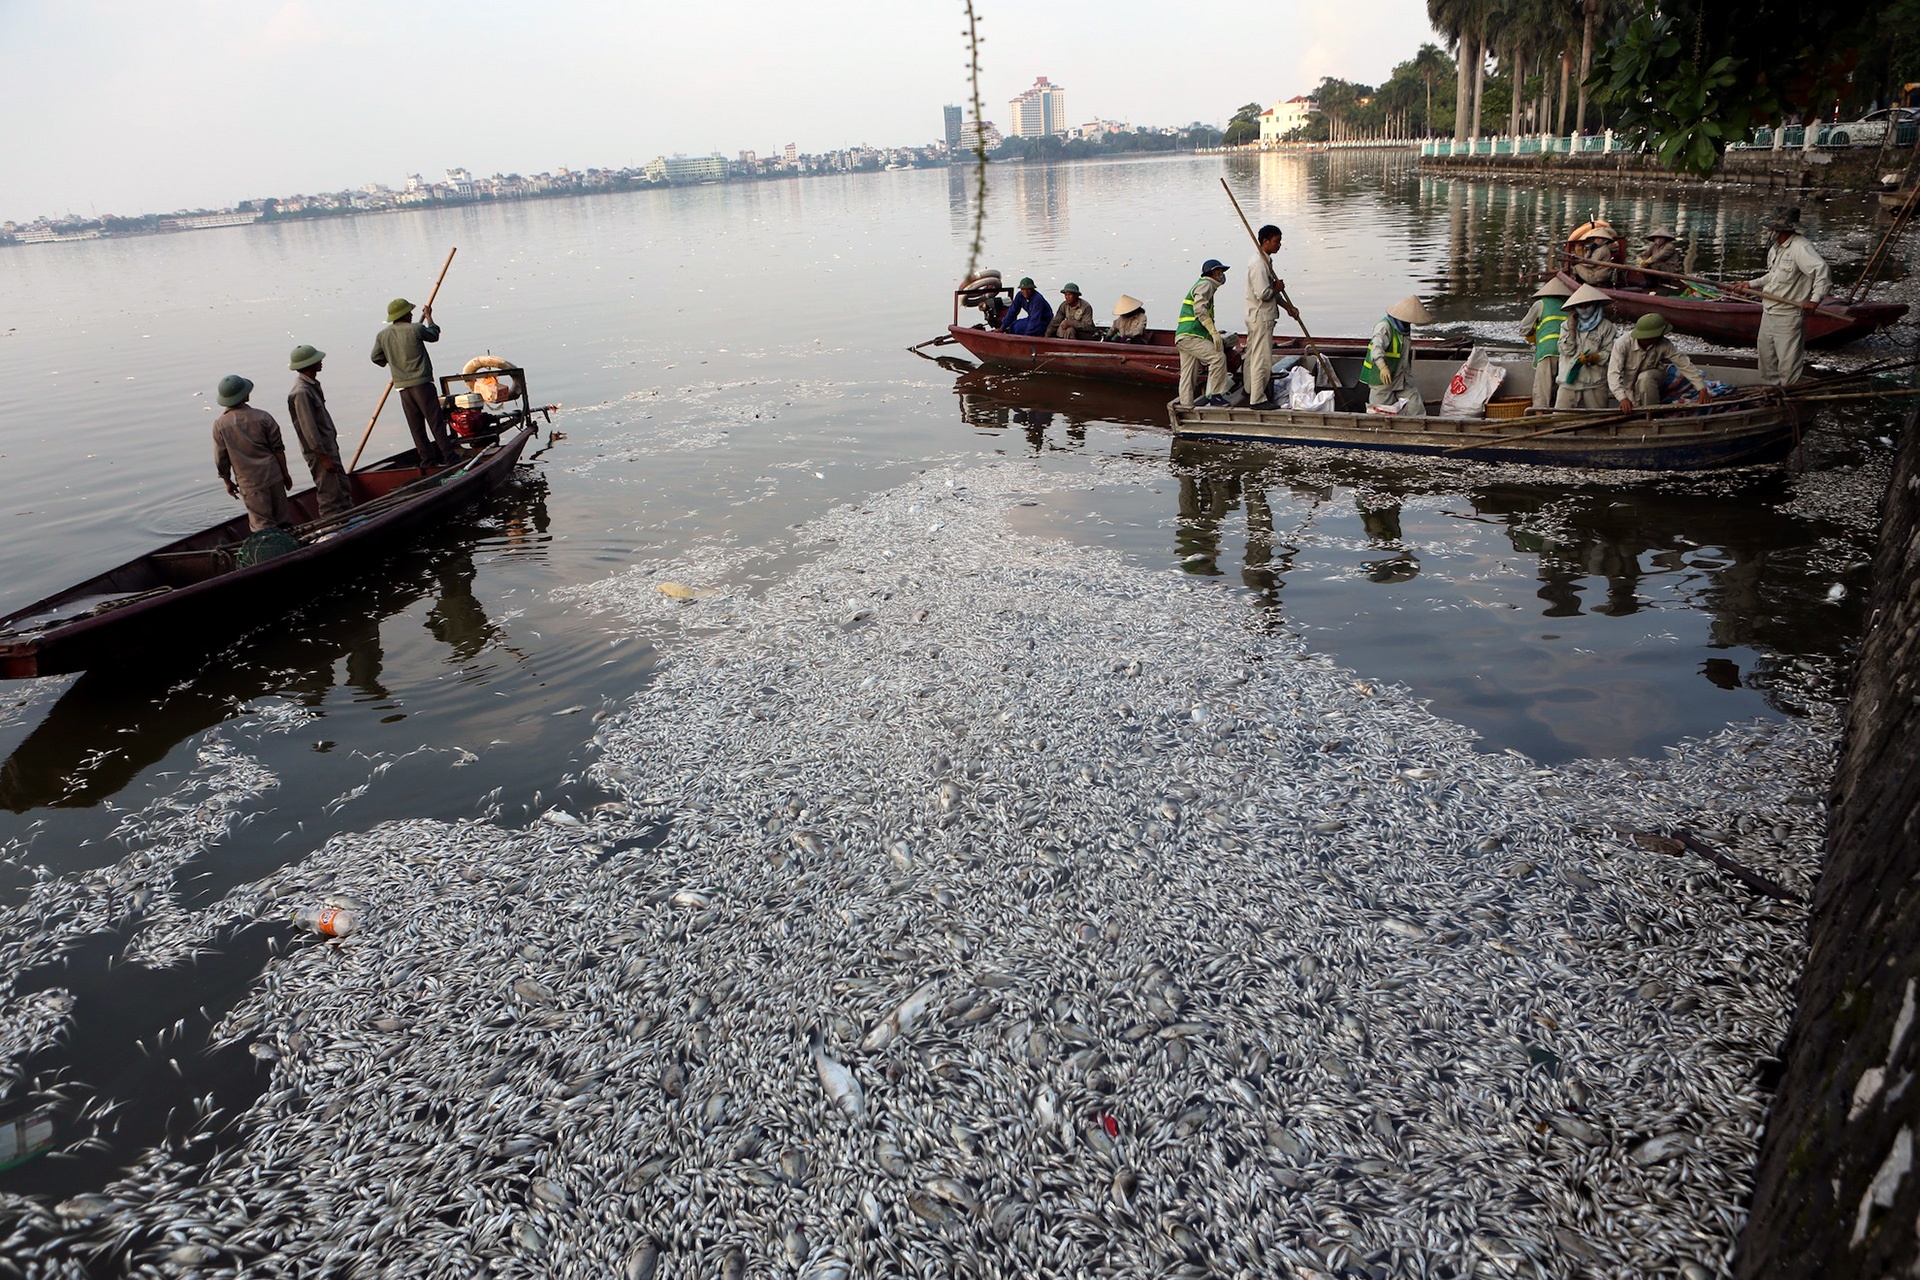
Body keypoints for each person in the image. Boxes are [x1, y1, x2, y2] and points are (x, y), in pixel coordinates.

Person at [1734, 206, 1832, 386]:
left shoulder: (1800, 247)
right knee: (1766, 358)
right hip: (1769, 309)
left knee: (1788, 362)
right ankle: (1770, 390)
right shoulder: (1776, 249)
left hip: (1789, 314)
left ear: (1781, 229)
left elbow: (1821, 271)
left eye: (1772, 228)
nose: (1769, 231)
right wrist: (1750, 284)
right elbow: (1774, 275)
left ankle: (1788, 394)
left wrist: (1814, 300)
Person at [371, 297, 456, 467]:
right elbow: (433, 334)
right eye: (409, 312)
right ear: (405, 315)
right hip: (422, 384)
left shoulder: (383, 335)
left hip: (403, 387)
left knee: (416, 427)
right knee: (436, 423)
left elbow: (376, 358)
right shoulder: (416, 329)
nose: (411, 314)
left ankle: (427, 461)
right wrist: (429, 316)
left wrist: (394, 360)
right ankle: (451, 459)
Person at [211, 374, 294, 530]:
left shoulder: (220, 425)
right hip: (273, 474)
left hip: (250, 482)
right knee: (283, 520)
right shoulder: (263, 417)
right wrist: (285, 473)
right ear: (245, 395)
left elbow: (221, 459)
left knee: (262, 526)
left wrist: (227, 481)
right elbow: (278, 449)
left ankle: (273, 551)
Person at [285, 344, 354, 518]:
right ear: (309, 364)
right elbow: (309, 428)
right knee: (330, 494)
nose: (321, 362)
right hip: (320, 452)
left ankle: (348, 519)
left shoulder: (311, 385)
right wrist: (323, 457)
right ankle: (332, 527)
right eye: (317, 360)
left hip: (328, 446)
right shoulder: (301, 392)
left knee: (342, 487)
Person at [1244, 223, 1300, 410]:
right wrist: (1276, 288)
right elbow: (1264, 293)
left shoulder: (1265, 261)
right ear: (1265, 241)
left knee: (1252, 354)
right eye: (1276, 241)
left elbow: (1273, 295)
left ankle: (1249, 388)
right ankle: (1257, 399)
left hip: (1257, 315)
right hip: (1261, 317)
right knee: (1261, 357)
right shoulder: (1259, 264)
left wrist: (1288, 307)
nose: (1279, 245)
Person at [1608, 313, 1711, 410]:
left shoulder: (1664, 344)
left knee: (1645, 377)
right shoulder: (1622, 344)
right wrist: (1622, 398)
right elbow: (1613, 373)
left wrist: (1701, 388)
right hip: (1629, 384)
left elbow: (1683, 363)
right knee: (1633, 406)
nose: (1662, 337)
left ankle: (1652, 412)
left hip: (1654, 377)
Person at [1361, 296, 1432, 416]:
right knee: (1380, 414)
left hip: (1402, 378)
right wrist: (1383, 367)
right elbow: (1376, 347)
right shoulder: (1384, 327)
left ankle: (1417, 432)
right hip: (1382, 379)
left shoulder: (1404, 328)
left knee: (1416, 409)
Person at [1554, 283, 1620, 410]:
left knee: (1598, 423)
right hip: (1568, 382)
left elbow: (1610, 354)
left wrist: (1594, 358)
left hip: (1594, 383)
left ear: (1595, 305)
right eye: (1580, 306)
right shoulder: (1566, 326)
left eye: (1587, 305)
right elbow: (1566, 350)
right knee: (1559, 420)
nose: (1584, 309)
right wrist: (1572, 329)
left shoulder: (1606, 327)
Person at [1175, 259, 1231, 407]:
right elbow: (1199, 309)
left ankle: (1186, 406)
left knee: (1188, 375)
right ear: (1213, 273)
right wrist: (1213, 332)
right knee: (1218, 357)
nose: (1221, 276)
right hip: (1192, 335)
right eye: (1219, 273)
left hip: (1183, 336)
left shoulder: (1203, 285)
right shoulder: (1206, 284)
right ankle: (1216, 396)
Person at [1519, 279, 1572, 411]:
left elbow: (1523, 329)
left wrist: (1534, 332)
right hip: (1567, 351)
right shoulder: (1569, 306)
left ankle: (1540, 416)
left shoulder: (1540, 304)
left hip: (1547, 351)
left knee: (1542, 392)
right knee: (1561, 388)